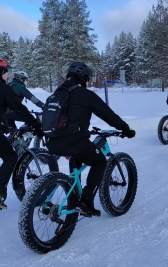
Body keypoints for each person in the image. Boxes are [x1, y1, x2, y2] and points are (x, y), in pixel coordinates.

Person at [45, 62, 136, 216]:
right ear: (84, 77)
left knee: (77, 156)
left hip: (51, 142)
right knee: (100, 162)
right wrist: (126, 129)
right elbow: (108, 115)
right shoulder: (85, 94)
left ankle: (73, 197)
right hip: (74, 142)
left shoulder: (57, 94)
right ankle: (86, 201)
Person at [0, 60, 43, 209]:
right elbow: (23, 107)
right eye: (6, 72)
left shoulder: (9, 86)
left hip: (4, 118)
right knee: (10, 157)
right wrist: (37, 124)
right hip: (10, 113)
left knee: (11, 135)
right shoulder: (10, 88)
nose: (7, 74)